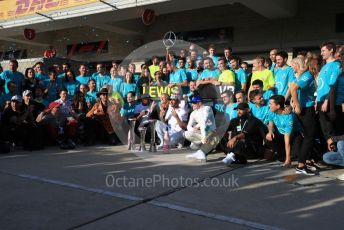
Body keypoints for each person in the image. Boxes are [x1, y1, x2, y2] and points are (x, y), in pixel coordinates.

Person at [289, 57, 318, 174]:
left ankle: (305, 161)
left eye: (292, 65)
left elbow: (292, 87)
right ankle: (301, 166)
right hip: (306, 109)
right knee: (309, 137)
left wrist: (293, 103)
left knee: (306, 136)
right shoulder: (307, 75)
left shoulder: (303, 75)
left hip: (305, 109)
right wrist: (296, 105)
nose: (291, 67)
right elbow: (293, 88)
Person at [316, 42, 342, 149]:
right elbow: (321, 86)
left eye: (323, 51)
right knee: (325, 131)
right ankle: (330, 157)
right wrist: (317, 100)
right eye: (321, 51)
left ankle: (336, 156)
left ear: (331, 50)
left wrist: (327, 101)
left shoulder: (336, 65)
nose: (321, 53)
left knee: (332, 131)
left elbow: (333, 86)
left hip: (330, 102)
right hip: (321, 101)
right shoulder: (324, 66)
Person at [266, 95, 303, 168]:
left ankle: (290, 157)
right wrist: (270, 132)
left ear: (278, 106)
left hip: (295, 134)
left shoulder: (289, 117)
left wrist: (287, 160)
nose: (268, 105)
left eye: (271, 104)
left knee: (296, 154)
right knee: (268, 137)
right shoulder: (271, 111)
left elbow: (287, 141)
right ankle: (280, 153)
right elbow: (270, 124)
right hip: (281, 134)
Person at [185, 95, 219, 161]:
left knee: (205, 136)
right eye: (192, 103)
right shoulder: (193, 113)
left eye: (194, 103)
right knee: (186, 133)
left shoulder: (207, 108)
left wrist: (204, 136)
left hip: (212, 133)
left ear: (200, 103)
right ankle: (201, 152)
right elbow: (188, 126)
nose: (192, 105)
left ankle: (201, 151)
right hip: (202, 133)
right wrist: (193, 129)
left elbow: (204, 122)